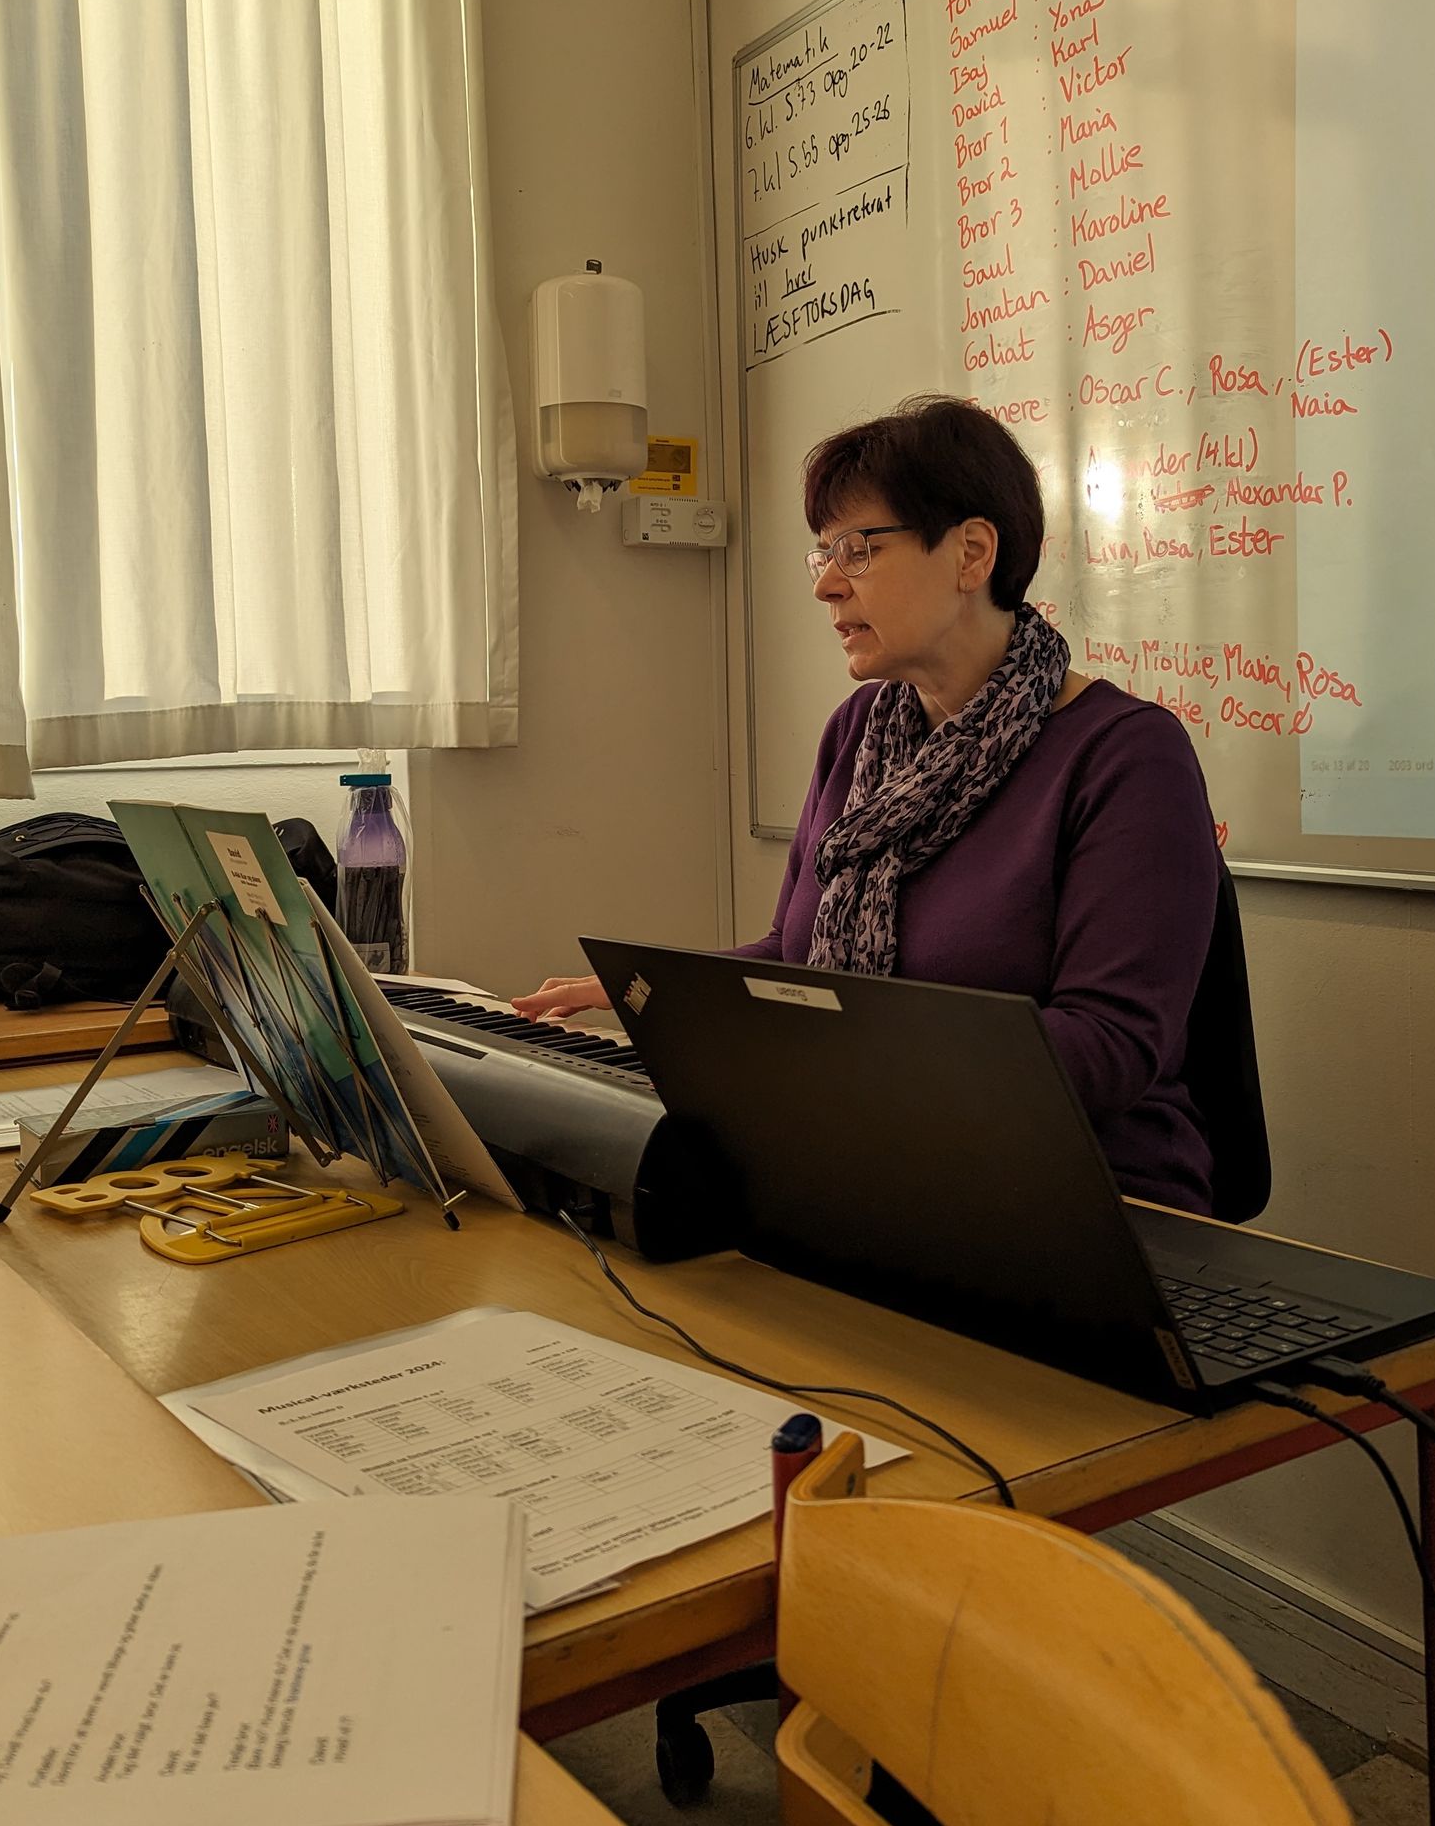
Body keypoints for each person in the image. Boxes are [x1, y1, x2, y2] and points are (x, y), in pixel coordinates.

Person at [514, 394, 1222, 1213]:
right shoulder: (860, 732)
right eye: (822, 552)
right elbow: (795, 955)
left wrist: (847, 1063)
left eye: (857, 550)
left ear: (971, 553)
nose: (825, 584)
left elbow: (1107, 1048)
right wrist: (657, 995)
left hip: (1084, 1197)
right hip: (876, 1166)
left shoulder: (1126, 756)